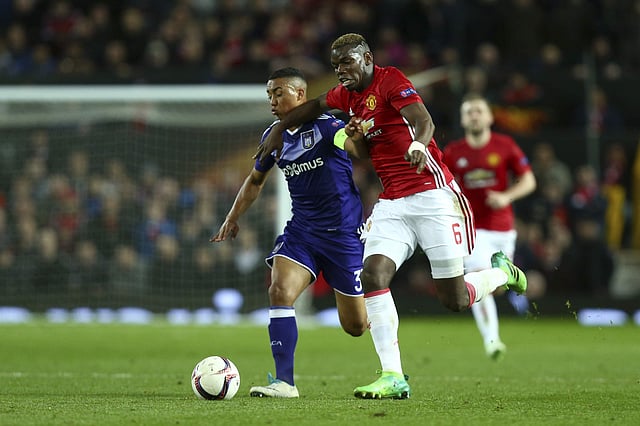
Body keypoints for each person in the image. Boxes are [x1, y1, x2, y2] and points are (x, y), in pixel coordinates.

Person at [256, 33, 528, 400]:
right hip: (392, 202)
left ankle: (502, 273)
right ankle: (393, 375)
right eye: (336, 66)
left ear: (367, 58)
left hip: (433, 195)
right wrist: (279, 128)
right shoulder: (346, 96)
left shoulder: (391, 80)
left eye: (347, 63)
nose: (341, 71)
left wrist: (417, 144)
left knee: (454, 299)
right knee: (373, 274)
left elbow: (422, 120)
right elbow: (316, 107)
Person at [211, 67, 368, 398]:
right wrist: (232, 216)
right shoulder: (273, 136)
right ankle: (284, 382)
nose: (272, 100)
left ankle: (381, 314)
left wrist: (356, 136)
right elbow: (255, 181)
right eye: (269, 94)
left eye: (278, 93)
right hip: (303, 232)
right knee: (279, 290)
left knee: (355, 327)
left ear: (300, 94)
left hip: (343, 235)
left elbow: (354, 149)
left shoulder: (327, 127)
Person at [442, 93, 537, 360]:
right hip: (471, 228)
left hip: (503, 229)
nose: (474, 116)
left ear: (490, 117)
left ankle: (507, 276)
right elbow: (442, 186)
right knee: (478, 276)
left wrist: (506, 196)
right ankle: (492, 341)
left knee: (493, 287)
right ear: (462, 119)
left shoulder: (505, 146)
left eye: (479, 111)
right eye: (469, 112)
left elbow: (529, 181)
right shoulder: (453, 153)